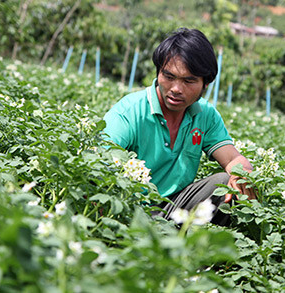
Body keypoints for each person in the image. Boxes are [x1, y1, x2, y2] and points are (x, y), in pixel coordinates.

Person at [103, 28, 255, 226]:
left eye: (188, 81)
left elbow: (234, 158)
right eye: (169, 76)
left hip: (174, 208)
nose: (176, 89)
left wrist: (242, 172)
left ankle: (202, 252)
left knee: (229, 183)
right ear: (158, 73)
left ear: (205, 84)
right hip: (129, 210)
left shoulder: (205, 116)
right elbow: (98, 165)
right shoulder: (128, 112)